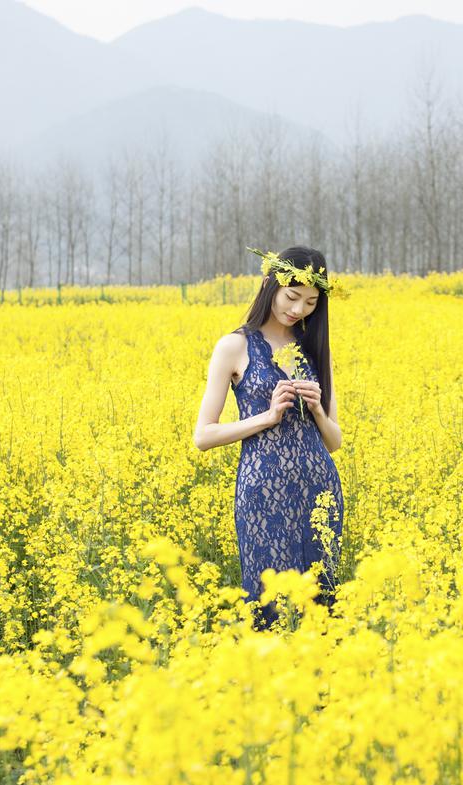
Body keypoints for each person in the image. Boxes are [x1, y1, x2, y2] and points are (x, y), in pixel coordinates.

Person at [193, 245, 345, 631]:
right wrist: (267, 417)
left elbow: (334, 441)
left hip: (319, 490)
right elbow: (203, 436)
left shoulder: (316, 349)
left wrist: (318, 410)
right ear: (269, 285)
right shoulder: (234, 346)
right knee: (269, 603)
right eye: (292, 297)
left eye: (310, 302)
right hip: (263, 493)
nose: (298, 309)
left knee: (320, 602)